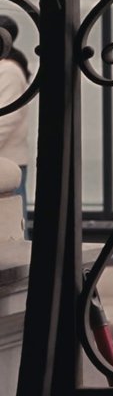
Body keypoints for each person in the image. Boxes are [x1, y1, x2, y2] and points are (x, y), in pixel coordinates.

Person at [0, 14, 30, 232]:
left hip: (8, 161)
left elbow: (6, 118)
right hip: (6, 159)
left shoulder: (9, 69)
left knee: (12, 229)